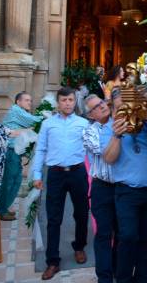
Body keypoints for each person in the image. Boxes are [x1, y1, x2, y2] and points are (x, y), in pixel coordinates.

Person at [32, 87, 91, 280]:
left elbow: (91, 148)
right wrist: (36, 174)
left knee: (82, 213)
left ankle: (79, 246)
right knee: (53, 218)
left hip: (77, 173)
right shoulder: (48, 124)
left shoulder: (83, 123)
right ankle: (52, 261)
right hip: (56, 174)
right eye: (64, 100)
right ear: (58, 102)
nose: (67, 103)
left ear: (75, 102)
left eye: (71, 100)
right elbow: (40, 150)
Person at [104, 105, 147, 283]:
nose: (127, 111)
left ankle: (143, 278)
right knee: (127, 237)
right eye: (121, 107)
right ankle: (123, 279)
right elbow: (109, 159)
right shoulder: (112, 128)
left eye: (130, 105)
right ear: (114, 110)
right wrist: (117, 135)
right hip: (127, 192)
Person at [83, 95, 127, 283]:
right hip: (102, 188)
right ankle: (104, 277)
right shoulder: (89, 132)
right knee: (103, 233)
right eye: (95, 107)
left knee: (121, 232)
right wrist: (117, 135)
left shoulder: (119, 122)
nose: (101, 107)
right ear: (91, 115)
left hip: (121, 187)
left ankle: (118, 270)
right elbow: (104, 152)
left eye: (101, 103)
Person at [0, 92, 42, 221]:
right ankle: (2, 209)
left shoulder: (21, 112)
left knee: (15, 181)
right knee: (10, 181)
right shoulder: (16, 111)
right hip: (11, 151)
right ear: (18, 102)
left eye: (30, 100)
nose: (29, 102)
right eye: (26, 100)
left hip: (15, 151)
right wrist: (47, 114)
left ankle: (4, 207)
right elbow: (35, 121)